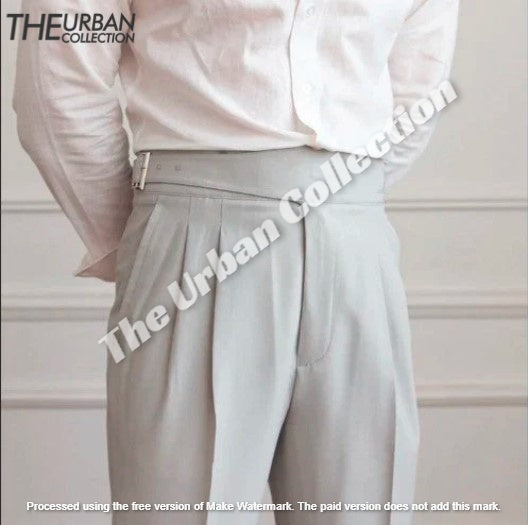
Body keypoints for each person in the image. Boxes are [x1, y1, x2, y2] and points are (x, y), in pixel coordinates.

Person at [13, 1, 459, 524]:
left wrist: (345, 197)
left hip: (357, 245)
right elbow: (58, 81)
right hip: (194, 242)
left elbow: (417, 88)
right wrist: (145, 244)